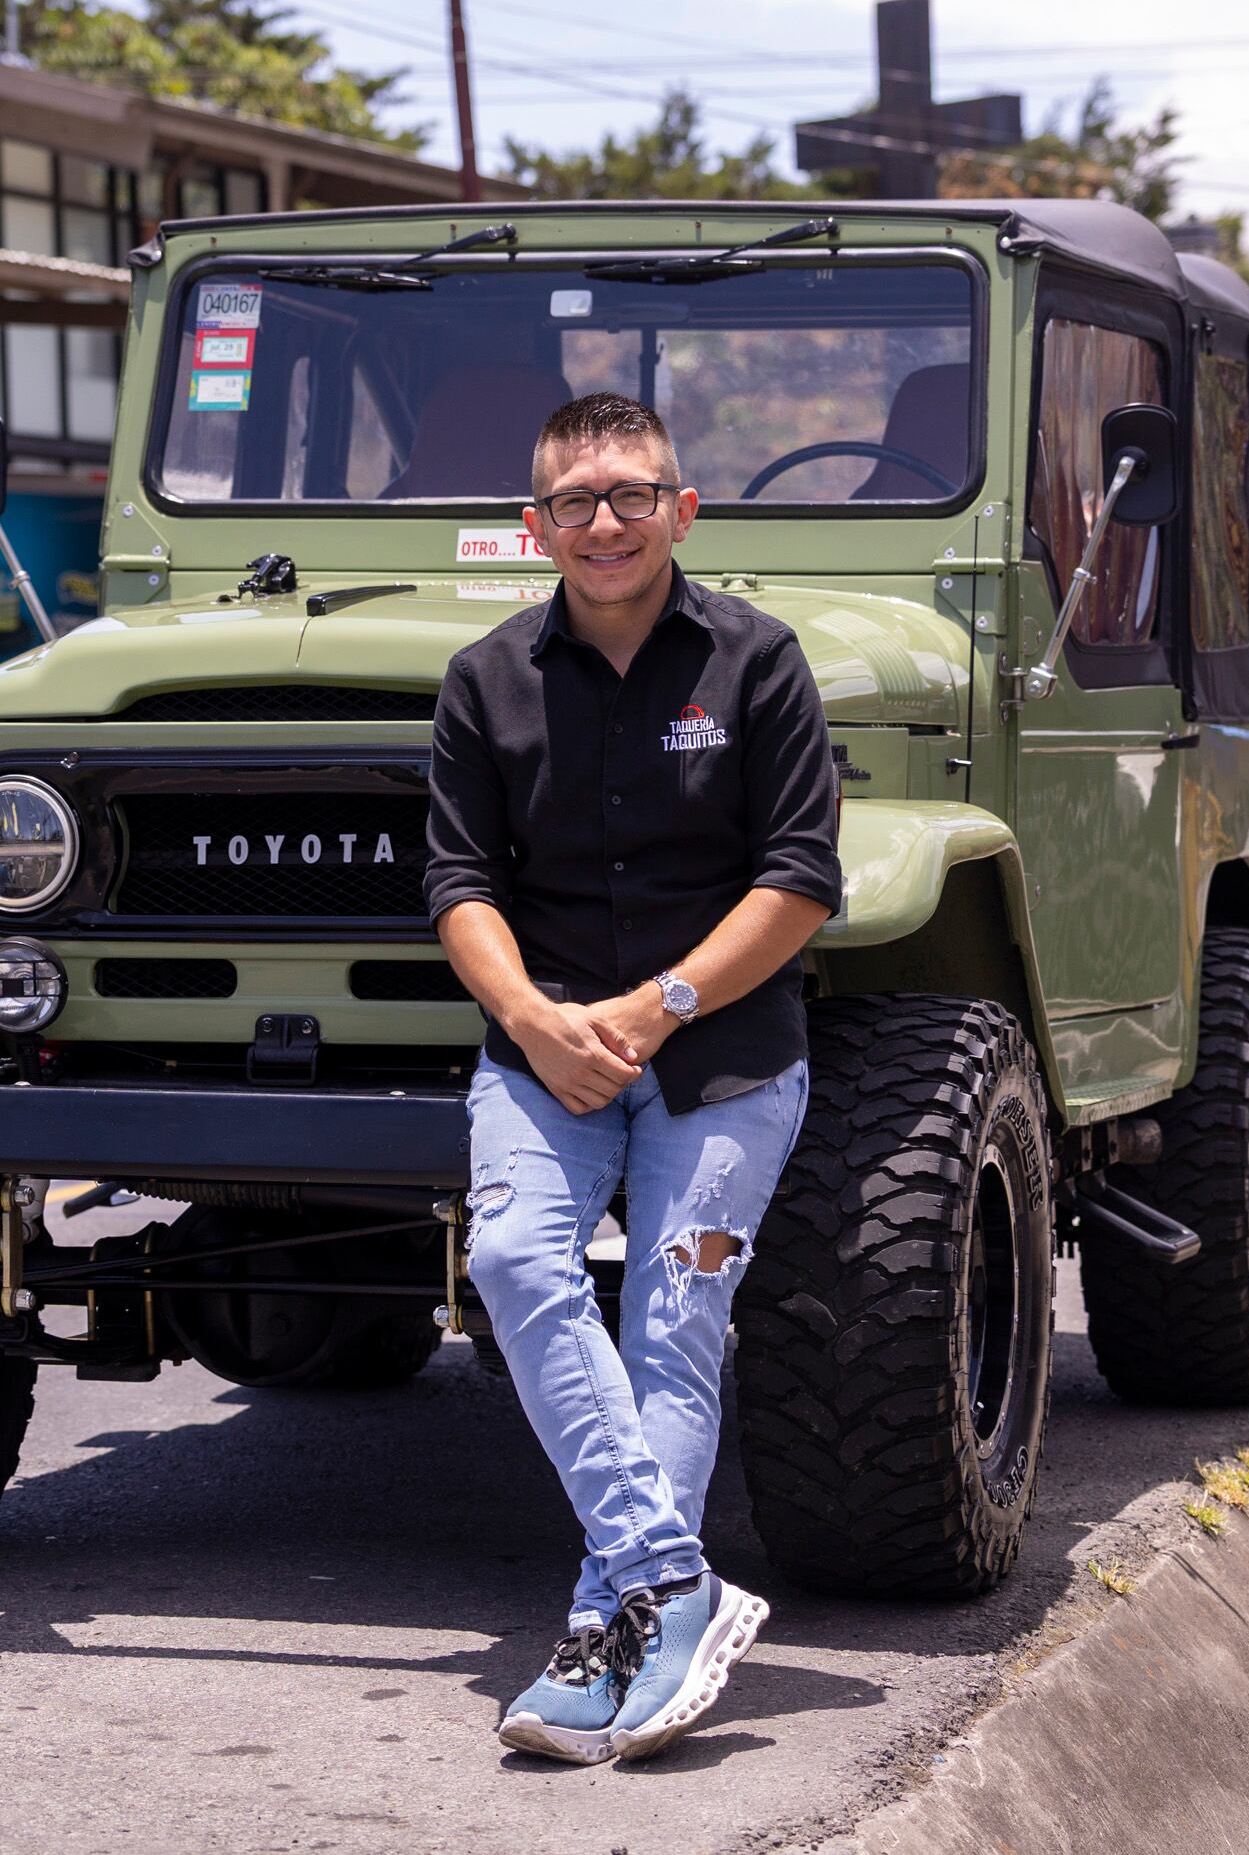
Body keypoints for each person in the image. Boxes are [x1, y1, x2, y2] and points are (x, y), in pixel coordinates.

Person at [424, 392, 842, 1765]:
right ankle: (672, 1582)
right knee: (516, 1268)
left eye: (631, 496)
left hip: (721, 1060)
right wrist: (537, 1020)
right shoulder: (485, 681)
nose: (604, 523)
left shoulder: (758, 662)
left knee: (674, 1317)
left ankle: (613, 1625)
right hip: (543, 1061)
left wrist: (656, 1007)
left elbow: (800, 880)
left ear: (683, 510)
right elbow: (460, 884)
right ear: (534, 528)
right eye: (576, 504)